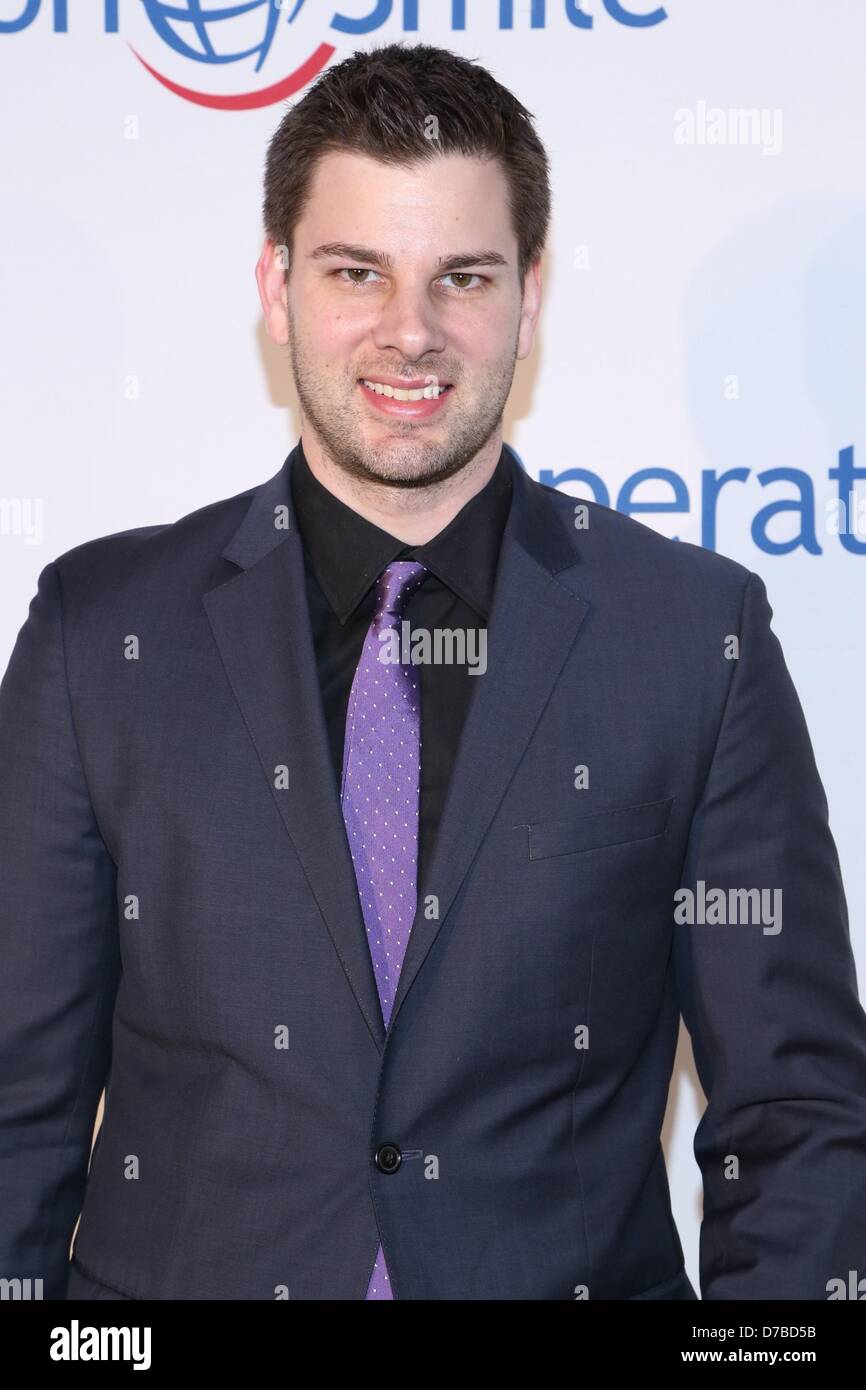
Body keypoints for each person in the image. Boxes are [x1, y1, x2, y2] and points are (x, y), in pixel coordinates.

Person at [1, 41, 865, 1303]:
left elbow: (796, 1110)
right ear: (277, 284)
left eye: (461, 276)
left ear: (529, 295)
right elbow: (16, 1101)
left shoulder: (692, 638)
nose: (411, 331)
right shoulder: (102, 631)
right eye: (358, 272)